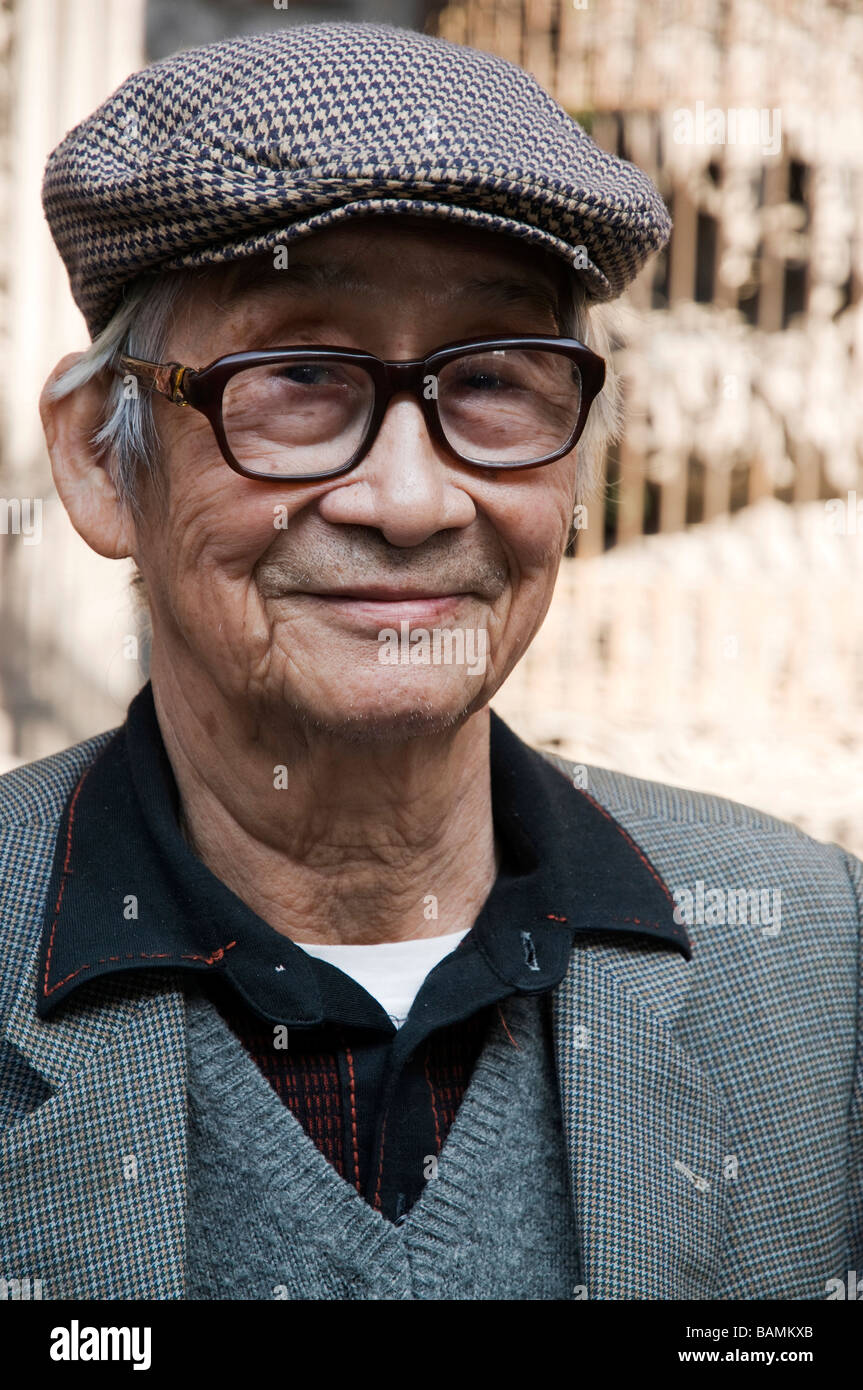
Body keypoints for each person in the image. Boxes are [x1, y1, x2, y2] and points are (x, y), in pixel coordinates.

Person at [1, 21, 859, 1301]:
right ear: (96, 460)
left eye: (493, 381)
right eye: (296, 375)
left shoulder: (814, 962)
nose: (409, 500)